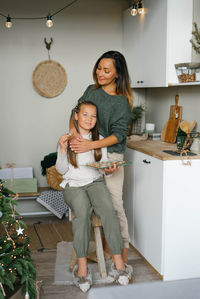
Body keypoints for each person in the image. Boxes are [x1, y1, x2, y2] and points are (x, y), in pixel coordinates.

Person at [56, 101, 133, 293]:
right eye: (85, 115)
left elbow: (103, 167)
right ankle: (82, 269)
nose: (90, 119)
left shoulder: (100, 139)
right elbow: (61, 170)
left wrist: (109, 169)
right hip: (73, 185)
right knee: (81, 215)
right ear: (76, 116)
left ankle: (119, 265)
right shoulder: (67, 139)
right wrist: (63, 150)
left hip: (95, 183)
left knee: (109, 212)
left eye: (93, 116)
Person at [69, 50, 133, 263]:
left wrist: (91, 143)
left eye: (107, 70)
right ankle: (93, 252)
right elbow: (74, 113)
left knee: (114, 206)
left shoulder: (121, 102)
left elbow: (119, 135)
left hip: (111, 157)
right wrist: (76, 136)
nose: (100, 73)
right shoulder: (91, 90)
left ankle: (120, 258)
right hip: (89, 153)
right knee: (87, 205)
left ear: (117, 74)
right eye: (99, 68)